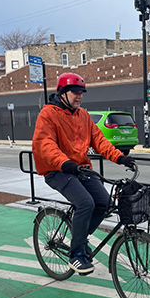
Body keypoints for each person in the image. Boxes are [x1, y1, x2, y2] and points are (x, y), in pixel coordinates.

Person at [32, 72, 135, 274]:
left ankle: (79, 237)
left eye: (81, 93)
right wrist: (65, 163)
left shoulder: (83, 115)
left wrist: (120, 157)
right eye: (75, 93)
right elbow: (45, 145)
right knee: (85, 203)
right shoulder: (48, 114)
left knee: (104, 203)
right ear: (62, 93)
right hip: (57, 170)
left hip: (80, 169)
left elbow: (100, 141)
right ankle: (76, 255)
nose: (79, 96)